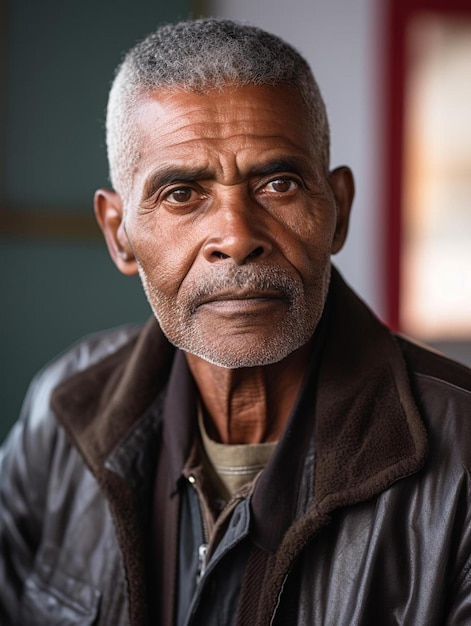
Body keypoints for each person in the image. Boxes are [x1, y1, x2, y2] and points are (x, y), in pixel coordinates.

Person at [1, 17, 471, 626]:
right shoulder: (63, 411)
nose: (237, 236)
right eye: (181, 193)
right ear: (119, 235)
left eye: (278, 184)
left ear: (338, 211)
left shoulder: (461, 461)